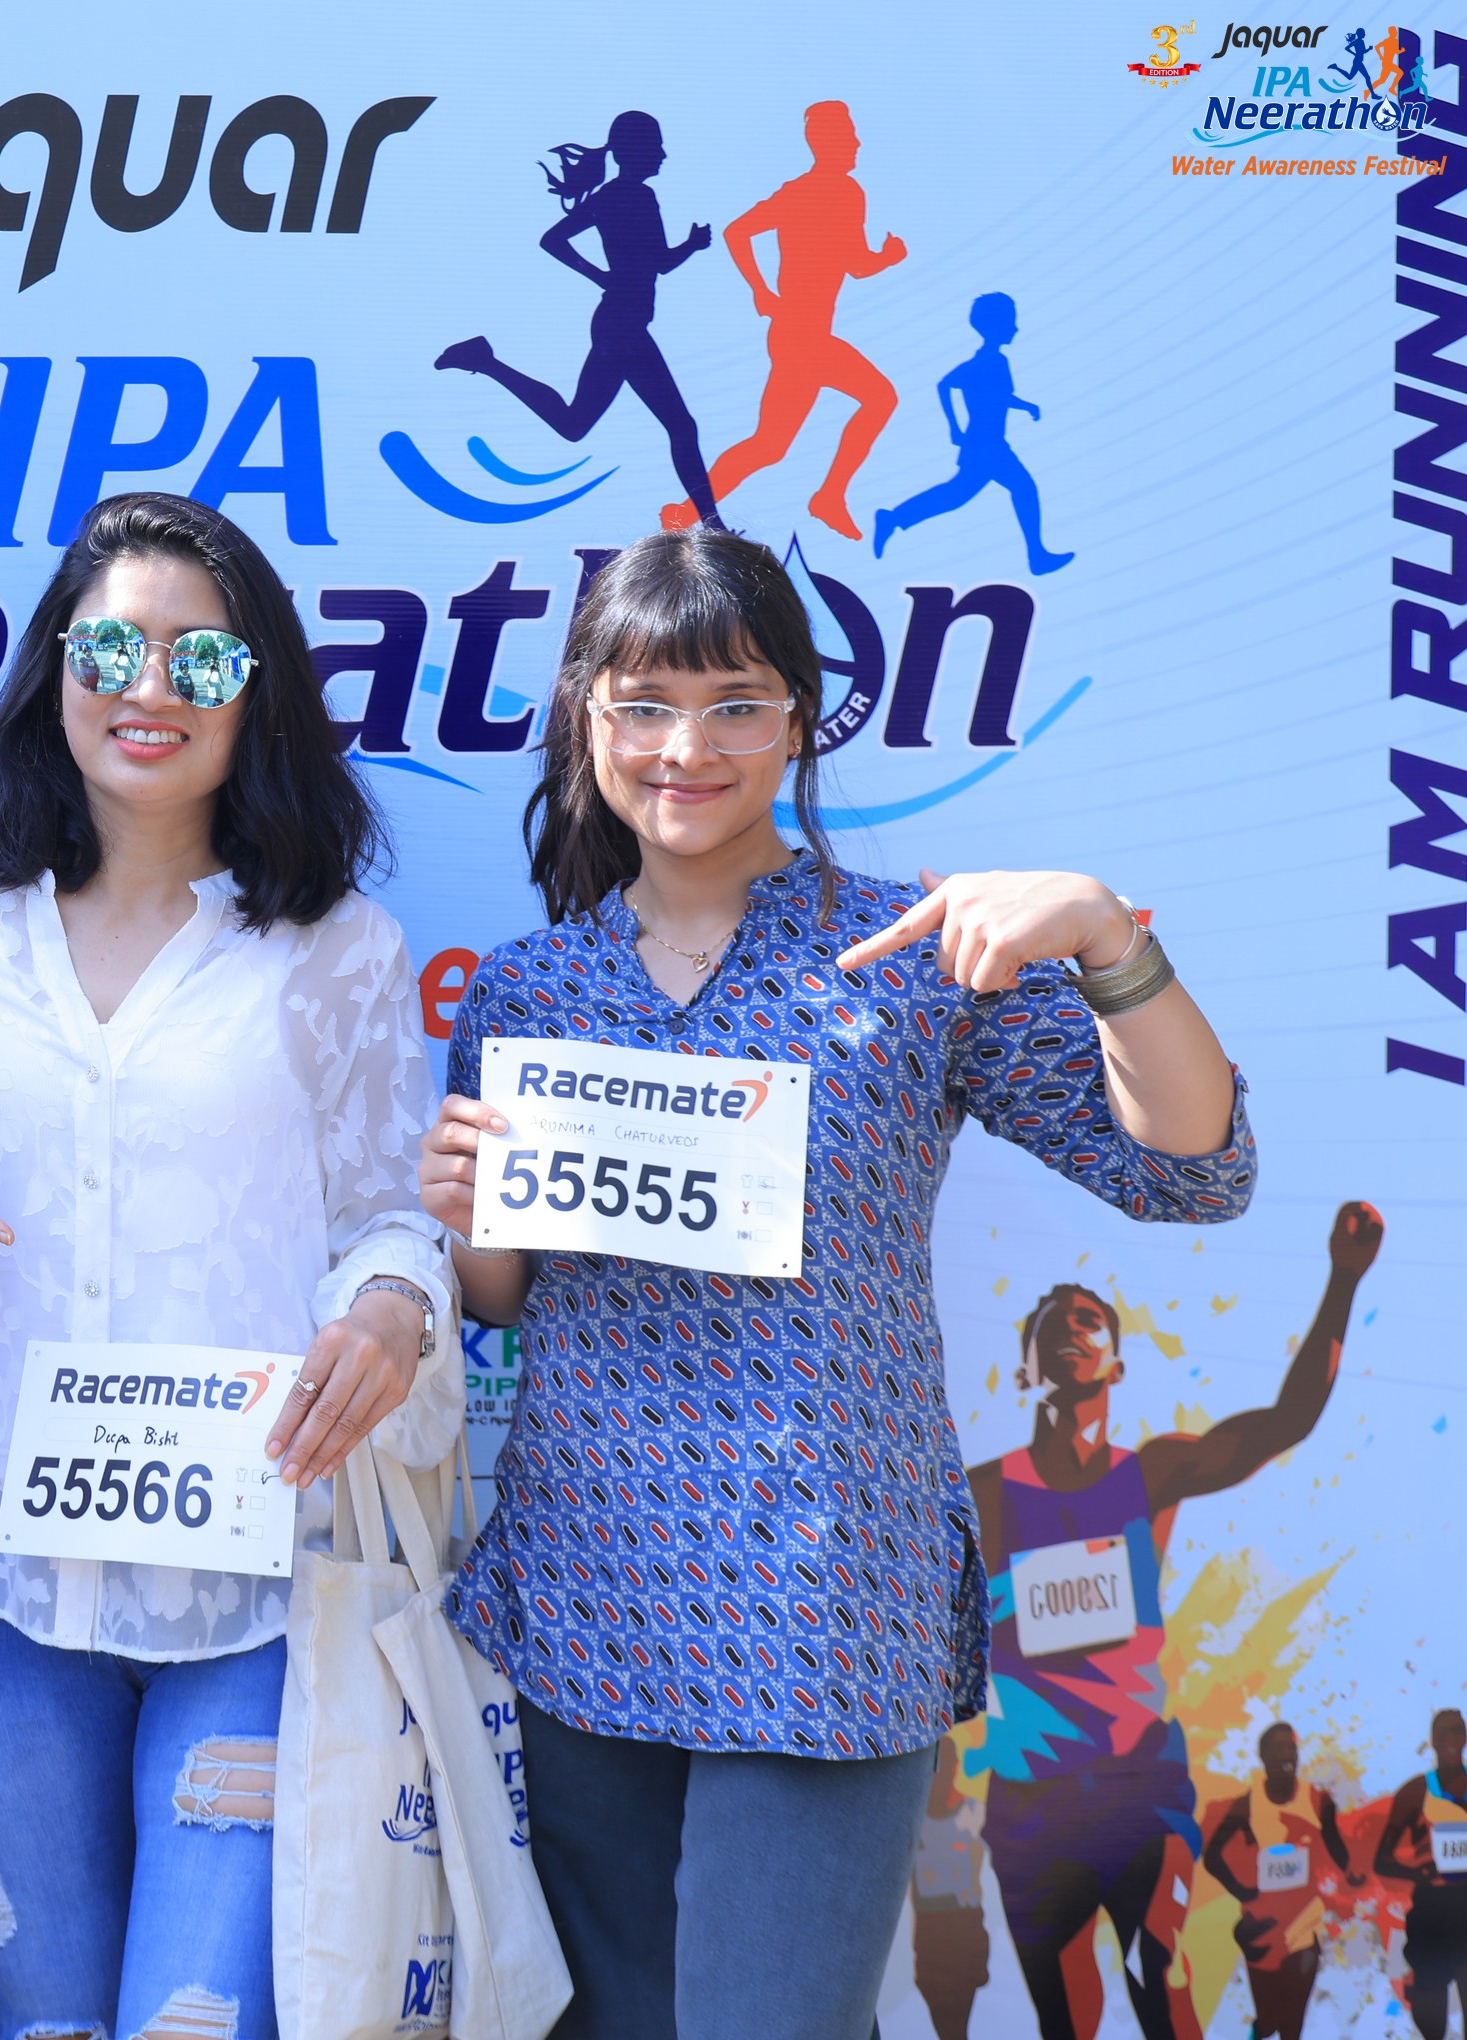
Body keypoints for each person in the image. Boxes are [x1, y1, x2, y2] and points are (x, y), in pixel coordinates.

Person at [413, 525, 1256, 2040]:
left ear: (799, 721)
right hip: (586, 1591)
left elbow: (1193, 1170)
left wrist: (1104, 938)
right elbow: (503, 1297)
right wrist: (466, 1213)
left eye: (734, 704)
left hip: (823, 1603)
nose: (688, 749)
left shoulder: (912, 959)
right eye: (645, 706)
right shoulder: (530, 988)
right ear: (589, 720)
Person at [0, 491, 455, 2040]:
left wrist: (391, 1304)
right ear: (54, 673)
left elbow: (396, 1214)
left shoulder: (338, 948)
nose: (149, 688)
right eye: (108, 650)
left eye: (200, 661)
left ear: (257, 697)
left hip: (260, 1579)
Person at [971, 1204, 1381, 2040]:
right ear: (1026, 1366)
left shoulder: (1150, 1475)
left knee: (1161, 1969)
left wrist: (1343, 1280)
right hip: (1033, 1798)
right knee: (1066, 2020)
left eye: (1089, 1321)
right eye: (1053, 1323)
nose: (1071, 1328)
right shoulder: (984, 1494)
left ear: (1116, 1365)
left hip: (1137, 1782)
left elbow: (1284, 1423)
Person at [434, 110, 724, 528]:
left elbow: (647, 260)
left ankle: (484, 360)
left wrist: (680, 250)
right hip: (622, 328)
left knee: (576, 424)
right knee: (679, 425)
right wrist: (609, 273)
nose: (662, 154)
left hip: (620, 323)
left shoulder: (620, 196)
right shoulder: (632, 196)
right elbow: (566, 243)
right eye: (655, 146)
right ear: (633, 151)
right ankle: (713, 525)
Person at [659, 102, 906, 541]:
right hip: (802, 335)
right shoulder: (820, 192)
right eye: (848, 135)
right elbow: (740, 232)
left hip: (801, 334)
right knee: (878, 398)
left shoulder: (835, 191)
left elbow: (851, 261)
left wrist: (882, 259)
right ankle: (828, 497)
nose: (857, 143)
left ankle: (686, 512)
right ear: (826, 142)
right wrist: (761, 289)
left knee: (769, 445)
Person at [873, 293, 1073, 575]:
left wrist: (1026, 406)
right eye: (1010, 323)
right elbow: (945, 385)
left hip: (991, 443)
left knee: (958, 494)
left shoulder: (997, 361)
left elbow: (1001, 397)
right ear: (996, 326)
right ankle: (1037, 557)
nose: (1016, 328)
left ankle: (893, 518)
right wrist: (954, 427)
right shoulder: (984, 363)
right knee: (1017, 489)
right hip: (984, 444)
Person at [1204, 1722, 1363, 2040]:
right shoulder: (1248, 1805)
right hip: (1262, 1933)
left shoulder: (1318, 1801)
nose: (1288, 1754)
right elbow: (1212, 1857)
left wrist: (1352, 1874)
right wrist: (1243, 1892)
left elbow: (1337, 1849)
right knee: (1269, 2022)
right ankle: (1260, 2029)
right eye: (1279, 1747)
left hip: (1305, 1932)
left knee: (1292, 2025)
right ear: (1263, 1756)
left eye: (1292, 1747)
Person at [1376, 1707, 1467, 2038]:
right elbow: (1381, 1860)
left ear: (1465, 1737)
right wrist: (1420, 1872)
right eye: (1443, 1733)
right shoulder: (1415, 1792)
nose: (1451, 1739)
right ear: (1433, 1741)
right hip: (1431, 1915)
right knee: (1432, 2024)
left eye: (1457, 1730)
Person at [908, 1734, 995, 2040]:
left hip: (966, 1927)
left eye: (951, 1764)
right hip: (930, 1934)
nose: (947, 1771)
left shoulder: (974, 1812)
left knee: (956, 2025)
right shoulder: (911, 1819)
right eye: (942, 1765)